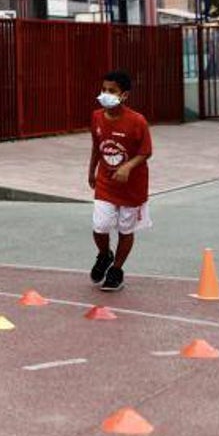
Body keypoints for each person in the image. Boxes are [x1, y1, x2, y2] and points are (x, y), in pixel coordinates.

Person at [88, 69, 152, 292]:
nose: (106, 94)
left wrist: (127, 166)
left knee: (126, 229)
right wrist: (91, 170)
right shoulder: (96, 117)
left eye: (112, 91)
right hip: (106, 182)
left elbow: (146, 152)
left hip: (131, 187)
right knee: (100, 226)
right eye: (104, 89)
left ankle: (116, 269)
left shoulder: (137, 121)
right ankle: (105, 255)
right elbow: (97, 146)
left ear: (124, 95)